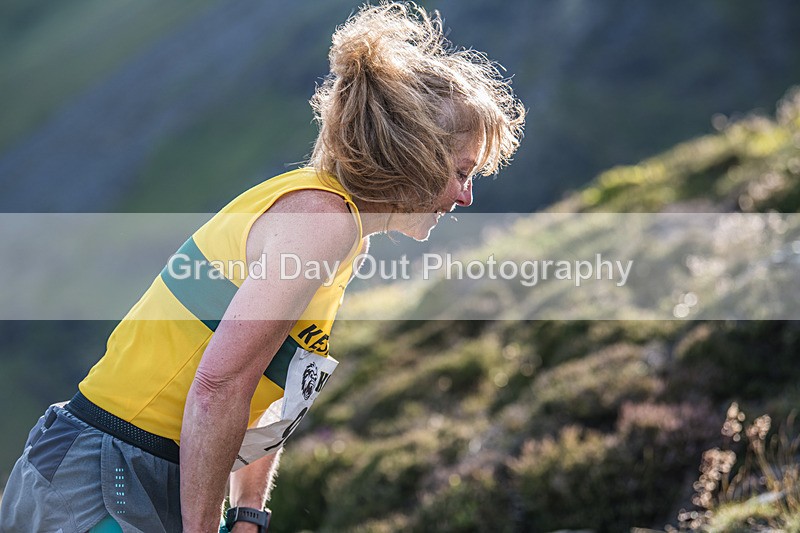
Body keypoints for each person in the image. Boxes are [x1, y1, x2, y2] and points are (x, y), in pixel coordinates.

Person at [0, 2, 524, 532]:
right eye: (461, 172)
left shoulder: (336, 227)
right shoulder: (322, 221)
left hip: (134, 466)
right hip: (109, 472)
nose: (466, 196)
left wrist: (248, 511)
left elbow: (272, 385)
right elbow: (219, 384)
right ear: (411, 154)